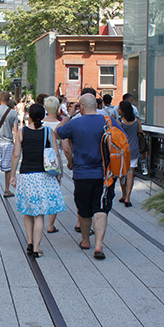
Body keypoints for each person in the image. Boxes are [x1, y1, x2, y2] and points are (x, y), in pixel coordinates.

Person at [55, 93, 123, 260]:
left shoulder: (75, 123)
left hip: (82, 174)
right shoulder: (109, 121)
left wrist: (70, 114)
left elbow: (57, 133)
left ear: (81, 107)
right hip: (105, 175)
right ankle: (99, 245)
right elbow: (122, 140)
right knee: (101, 208)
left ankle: (85, 241)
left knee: (84, 209)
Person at [9, 104, 66, 258]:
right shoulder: (49, 132)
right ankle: (37, 248)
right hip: (44, 176)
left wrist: (13, 175)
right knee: (39, 213)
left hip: (26, 175)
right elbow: (56, 154)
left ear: (30, 115)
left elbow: (16, 155)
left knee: (28, 211)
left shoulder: (21, 133)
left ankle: (29, 241)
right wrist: (59, 172)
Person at [42, 96, 64, 233]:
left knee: (41, 191)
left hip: (41, 161)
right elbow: (62, 148)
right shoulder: (59, 125)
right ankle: (51, 225)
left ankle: (39, 219)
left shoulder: (40, 124)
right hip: (55, 162)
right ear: (57, 108)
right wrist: (60, 170)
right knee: (53, 193)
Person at [117, 100, 142, 208]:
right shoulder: (136, 121)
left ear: (123, 111)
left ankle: (123, 194)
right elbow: (140, 133)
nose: (118, 110)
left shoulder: (119, 122)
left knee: (122, 174)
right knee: (131, 173)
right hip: (134, 150)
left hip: (122, 151)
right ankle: (128, 197)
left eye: (119, 108)